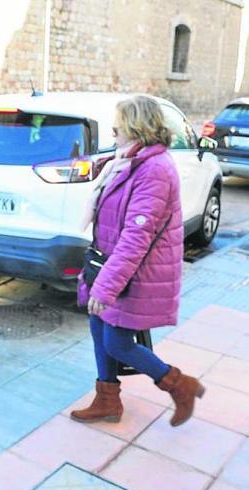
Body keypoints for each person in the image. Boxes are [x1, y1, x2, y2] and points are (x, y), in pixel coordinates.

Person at [72, 95, 205, 428]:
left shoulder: (155, 169)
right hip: (109, 264)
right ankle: (107, 401)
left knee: (117, 341)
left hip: (136, 273)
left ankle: (180, 386)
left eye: (118, 126)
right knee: (97, 326)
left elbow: (136, 237)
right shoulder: (127, 160)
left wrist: (104, 288)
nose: (113, 132)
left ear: (136, 128)